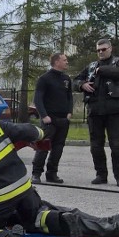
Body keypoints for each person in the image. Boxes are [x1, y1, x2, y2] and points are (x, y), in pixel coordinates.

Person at [0, 109, 119, 237]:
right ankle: (111, 224)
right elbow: (30, 131)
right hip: (25, 189)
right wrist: (39, 137)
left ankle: (109, 224)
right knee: (44, 212)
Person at [73, 38, 119, 187]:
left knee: (116, 145)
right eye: (98, 50)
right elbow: (75, 80)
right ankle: (101, 175)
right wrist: (82, 84)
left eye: (103, 49)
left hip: (114, 111)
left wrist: (101, 70)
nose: (101, 52)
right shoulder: (91, 66)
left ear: (110, 48)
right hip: (95, 111)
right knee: (96, 146)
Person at [31, 52, 73, 185]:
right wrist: (44, 116)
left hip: (63, 120)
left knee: (58, 147)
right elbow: (37, 99)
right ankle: (36, 173)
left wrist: (69, 112)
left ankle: (52, 173)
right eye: (64, 60)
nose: (67, 62)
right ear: (56, 62)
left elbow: (69, 97)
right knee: (43, 146)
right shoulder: (44, 79)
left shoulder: (66, 79)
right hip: (50, 120)